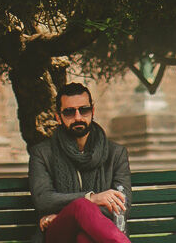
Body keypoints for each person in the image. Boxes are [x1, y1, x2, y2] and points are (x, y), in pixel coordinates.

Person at [29, 82, 132, 243]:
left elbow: (121, 206)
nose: (78, 117)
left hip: (97, 234)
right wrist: (91, 199)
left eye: (83, 110)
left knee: (84, 238)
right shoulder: (42, 153)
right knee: (82, 206)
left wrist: (71, 216)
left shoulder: (116, 154)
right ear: (58, 117)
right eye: (69, 112)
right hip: (58, 234)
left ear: (92, 111)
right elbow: (44, 199)